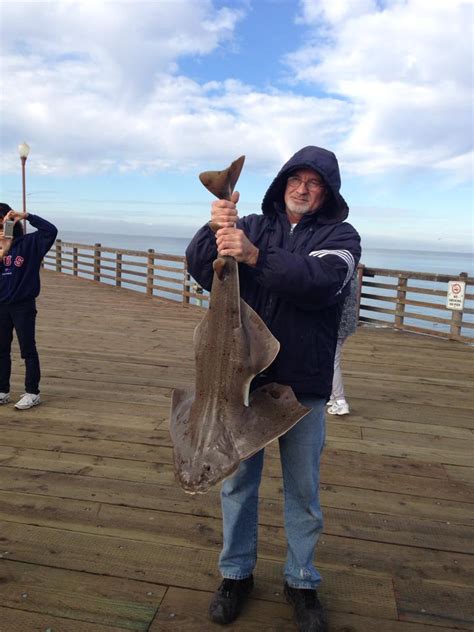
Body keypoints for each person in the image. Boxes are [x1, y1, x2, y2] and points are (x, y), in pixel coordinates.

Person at [186, 146, 361, 632]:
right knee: (238, 484)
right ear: (282, 184)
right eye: (295, 180)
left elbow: (320, 282)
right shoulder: (253, 224)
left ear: (327, 192)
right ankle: (235, 574)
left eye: (314, 183)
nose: (303, 189)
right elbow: (203, 270)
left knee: (302, 490)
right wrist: (215, 228)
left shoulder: (341, 236)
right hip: (244, 384)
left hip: (301, 388)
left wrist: (256, 255)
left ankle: (302, 580)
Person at [0, 204, 58, 409]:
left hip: (23, 305)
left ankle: (32, 392)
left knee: (28, 350)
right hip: (1, 306)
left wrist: (26, 215)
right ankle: (2, 390)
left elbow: (51, 231)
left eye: (2, 222)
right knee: (1, 349)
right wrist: (4, 249)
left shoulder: (31, 243)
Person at [327, 272, 359, 416]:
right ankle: (333, 397)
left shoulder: (339, 276)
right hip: (347, 324)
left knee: (332, 362)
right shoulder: (352, 274)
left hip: (337, 325)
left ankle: (340, 401)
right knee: (330, 359)